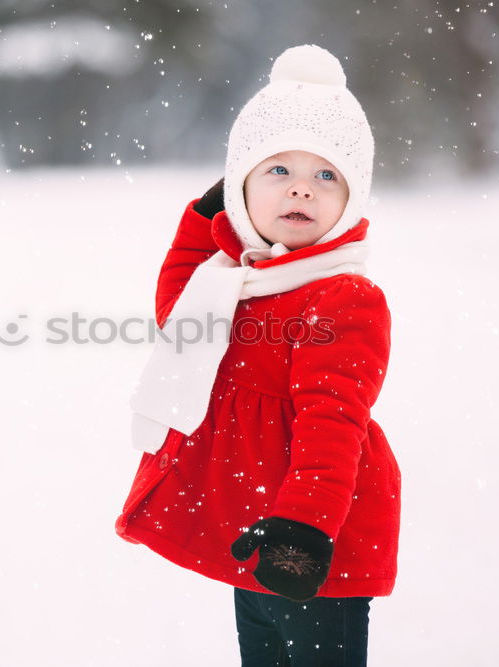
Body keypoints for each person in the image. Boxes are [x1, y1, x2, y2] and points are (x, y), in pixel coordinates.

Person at [115, 44, 401, 667]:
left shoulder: (343, 296)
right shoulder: (239, 279)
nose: (302, 186)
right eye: (278, 170)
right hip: (256, 533)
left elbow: (333, 425)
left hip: (313, 546)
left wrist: (305, 528)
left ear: (351, 199)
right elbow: (178, 315)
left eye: (327, 175)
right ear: (241, 190)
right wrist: (204, 222)